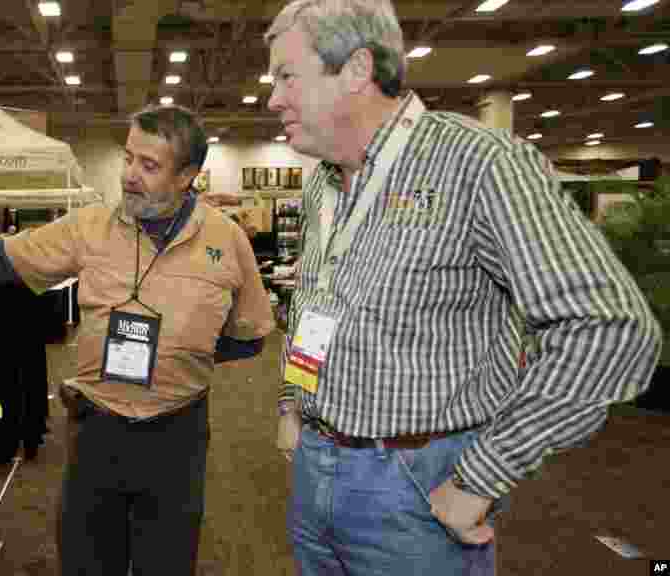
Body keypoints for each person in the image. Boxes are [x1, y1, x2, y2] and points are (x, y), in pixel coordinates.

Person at [263, 1, 662, 575]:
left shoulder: (480, 164)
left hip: (415, 488)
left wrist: (483, 476)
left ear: (355, 69)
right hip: (314, 466)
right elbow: (316, 304)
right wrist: (291, 404)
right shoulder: (322, 183)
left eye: (286, 76)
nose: (274, 97)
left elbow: (610, 329)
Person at [0, 104, 275, 575]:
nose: (130, 175)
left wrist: (185, 355)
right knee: (86, 561)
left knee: (168, 562)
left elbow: (251, 335)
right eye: (128, 158)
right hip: (98, 429)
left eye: (149, 165)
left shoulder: (228, 240)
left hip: (178, 435)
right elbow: (4, 257)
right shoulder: (92, 226)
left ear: (187, 177)